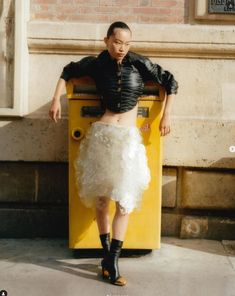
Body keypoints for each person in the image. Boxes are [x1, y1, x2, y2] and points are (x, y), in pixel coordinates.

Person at [49, 21, 178, 286]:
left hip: (128, 140)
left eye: (127, 43)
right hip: (103, 137)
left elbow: (171, 82)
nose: (122, 48)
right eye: (117, 42)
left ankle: (112, 259)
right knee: (101, 201)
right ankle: (108, 258)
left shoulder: (139, 63)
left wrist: (166, 115)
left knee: (125, 202)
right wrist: (55, 100)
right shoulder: (97, 64)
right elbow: (67, 71)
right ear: (106, 40)